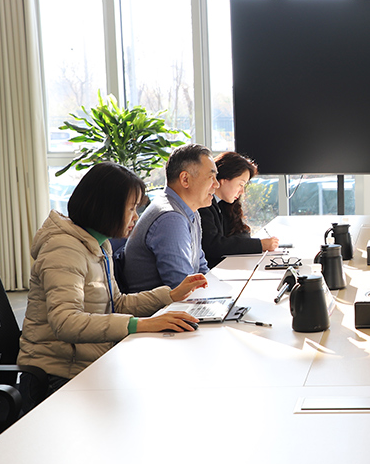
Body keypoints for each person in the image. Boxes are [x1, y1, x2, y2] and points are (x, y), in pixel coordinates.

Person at [19, 162, 207, 394]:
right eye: (131, 209)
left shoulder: (99, 244)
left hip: (90, 361)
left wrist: (169, 295)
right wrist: (142, 324)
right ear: (106, 208)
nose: (136, 217)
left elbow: (116, 303)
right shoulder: (63, 249)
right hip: (56, 376)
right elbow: (66, 322)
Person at [123, 144, 219, 292]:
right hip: (162, 306)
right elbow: (181, 286)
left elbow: (200, 269)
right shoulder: (171, 218)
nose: (216, 185)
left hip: (181, 302)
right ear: (185, 179)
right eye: (211, 177)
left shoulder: (189, 211)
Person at [199, 152, 279, 267]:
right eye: (240, 185)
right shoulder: (204, 206)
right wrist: (259, 245)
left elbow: (243, 234)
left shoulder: (224, 204)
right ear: (223, 179)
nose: (242, 191)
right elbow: (213, 246)